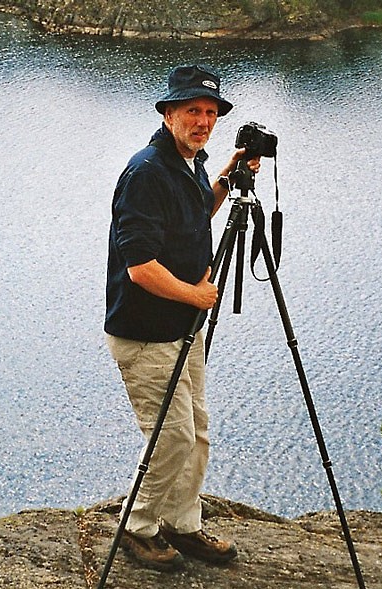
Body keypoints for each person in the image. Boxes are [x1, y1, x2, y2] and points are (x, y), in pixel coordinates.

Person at [105, 64, 259, 572]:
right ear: (168, 112)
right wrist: (196, 296)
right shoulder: (147, 172)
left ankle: (183, 523)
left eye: (211, 112)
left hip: (181, 330)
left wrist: (225, 179)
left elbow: (194, 216)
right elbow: (141, 267)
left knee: (196, 431)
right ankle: (137, 525)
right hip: (146, 334)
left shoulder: (188, 166)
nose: (203, 121)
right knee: (169, 436)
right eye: (192, 110)